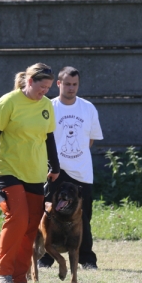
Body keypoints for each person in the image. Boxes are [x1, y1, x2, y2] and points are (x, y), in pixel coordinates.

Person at [0, 63, 60, 283]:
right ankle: (2, 271)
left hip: (35, 173)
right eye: (41, 87)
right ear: (30, 81)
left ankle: (18, 276)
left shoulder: (46, 106)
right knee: (17, 219)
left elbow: (49, 137)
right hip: (8, 170)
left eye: (48, 88)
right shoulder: (8, 102)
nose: (44, 92)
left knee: (31, 225)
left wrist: (55, 166)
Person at [38, 66, 103, 270]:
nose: (71, 88)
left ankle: (87, 259)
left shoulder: (88, 108)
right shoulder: (48, 106)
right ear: (59, 84)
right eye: (67, 84)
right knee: (50, 215)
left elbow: (90, 140)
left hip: (82, 172)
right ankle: (46, 257)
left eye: (75, 84)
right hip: (55, 170)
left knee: (83, 217)